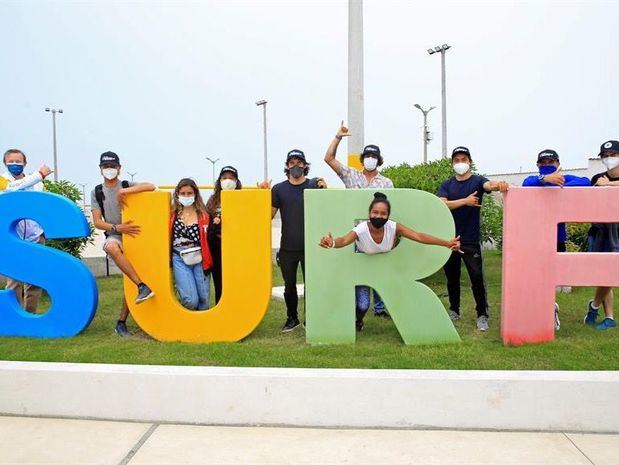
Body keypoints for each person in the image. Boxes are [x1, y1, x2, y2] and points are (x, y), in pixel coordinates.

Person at [319, 192, 461, 331]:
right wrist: (332, 243)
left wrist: (446, 243)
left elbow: (418, 236)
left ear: (388, 215)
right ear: (369, 213)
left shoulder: (393, 227)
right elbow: (343, 240)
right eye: (375, 212)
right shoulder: (361, 229)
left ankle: (408, 323)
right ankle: (359, 320)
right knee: (363, 305)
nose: (378, 216)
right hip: (363, 266)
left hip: (386, 267)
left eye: (383, 213)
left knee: (400, 296)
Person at [324, 121, 394, 318]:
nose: (370, 159)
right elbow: (328, 158)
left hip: (379, 234)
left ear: (379, 160)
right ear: (362, 159)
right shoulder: (351, 175)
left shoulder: (386, 182)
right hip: (357, 235)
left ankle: (380, 308)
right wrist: (338, 137)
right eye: (367, 156)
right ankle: (360, 310)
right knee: (361, 274)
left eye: (374, 156)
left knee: (379, 271)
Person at [437, 146, 509, 331]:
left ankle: (482, 314)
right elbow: (442, 205)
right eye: (457, 160)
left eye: (463, 159)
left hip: (470, 240)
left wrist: (498, 184)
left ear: (469, 162)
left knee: (476, 278)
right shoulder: (447, 185)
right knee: (452, 278)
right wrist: (465, 202)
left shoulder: (477, 181)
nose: (460, 163)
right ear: (452, 163)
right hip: (450, 240)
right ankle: (454, 310)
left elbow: (488, 186)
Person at [522, 149, 590, 330]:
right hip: (535, 240)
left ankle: (551, 311)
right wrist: (545, 180)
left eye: (550, 162)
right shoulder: (532, 181)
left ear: (558, 164)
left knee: (552, 278)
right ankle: (539, 311)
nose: (546, 165)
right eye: (543, 162)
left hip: (557, 239)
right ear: (537, 165)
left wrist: (557, 183)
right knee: (535, 277)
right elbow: (526, 184)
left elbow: (586, 182)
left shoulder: (565, 178)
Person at [90, 151, 156, 337]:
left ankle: (121, 322)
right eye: (105, 167)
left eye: (112, 166)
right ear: (100, 169)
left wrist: (126, 191)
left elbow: (150, 186)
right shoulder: (97, 191)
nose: (109, 170)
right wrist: (118, 227)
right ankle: (142, 285)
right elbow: (97, 222)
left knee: (129, 279)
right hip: (115, 234)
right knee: (111, 247)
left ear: (119, 168)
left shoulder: (126, 184)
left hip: (134, 235)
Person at [271, 149, 326, 333]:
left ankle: (311, 319)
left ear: (305, 165)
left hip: (310, 246)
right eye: (292, 162)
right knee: (289, 286)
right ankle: (292, 318)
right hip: (287, 247)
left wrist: (323, 189)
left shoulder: (312, 185)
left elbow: (324, 208)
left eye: (299, 162)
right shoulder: (278, 189)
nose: (296, 165)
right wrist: (261, 195)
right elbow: (268, 216)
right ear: (287, 166)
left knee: (312, 284)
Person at [1, 149, 53, 313]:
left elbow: (42, 206)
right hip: (12, 238)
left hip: (35, 237)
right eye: (11, 162)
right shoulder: (3, 180)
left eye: (18, 161)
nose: (15, 164)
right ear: (4, 163)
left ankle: (30, 315)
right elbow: (12, 188)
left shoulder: (37, 183)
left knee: (35, 279)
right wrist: (40, 174)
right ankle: (15, 317)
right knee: (14, 280)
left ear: (25, 163)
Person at [584, 140, 619, 331]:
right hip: (599, 232)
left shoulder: (606, 181)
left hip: (618, 233)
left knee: (612, 275)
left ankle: (594, 305)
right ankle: (610, 317)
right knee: (602, 275)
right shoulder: (597, 177)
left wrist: (611, 186)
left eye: (613, 155)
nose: (609, 159)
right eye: (605, 156)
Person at [170, 178, 213, 310]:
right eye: (183, 193)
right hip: (179, 258)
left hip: (200, 258)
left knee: (204, 299)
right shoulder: (171, 214)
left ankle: (201, 329)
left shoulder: (204, 214)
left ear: (195, 194)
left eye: (189, 193)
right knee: (190, 300)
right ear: (177, 194)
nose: (186, 196)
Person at [205, 166, 242, 304]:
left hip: (236, 247)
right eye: (224, 178)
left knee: (236, 282)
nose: (228, 181)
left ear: (236, 181)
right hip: (217, 247)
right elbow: (207, 222)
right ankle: (221, 311)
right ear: (219, 180)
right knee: (219, 282)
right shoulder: (213, 200)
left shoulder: (242, 197)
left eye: (231, 178)